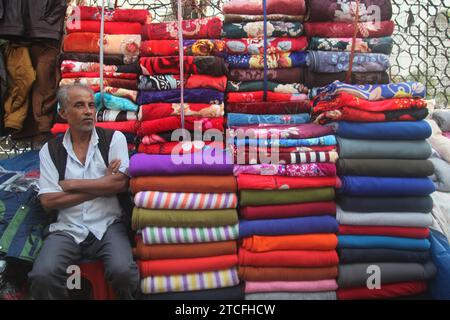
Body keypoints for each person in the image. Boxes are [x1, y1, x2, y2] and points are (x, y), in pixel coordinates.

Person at [28, 84, 139, 299]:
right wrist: (102, 183)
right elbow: (49, 201)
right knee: (43, 275)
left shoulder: (113, 139)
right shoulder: (50, 150)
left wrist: (71, 184)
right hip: (66, 228)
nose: (89, 111)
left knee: (123, 271)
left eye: (91, 105)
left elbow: (119, 185)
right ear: (63, 113)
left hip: (108, 224)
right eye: (79, 105)